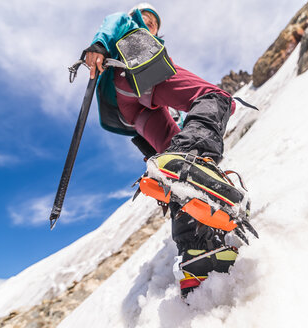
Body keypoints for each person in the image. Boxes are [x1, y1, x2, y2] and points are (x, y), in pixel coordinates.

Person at [84, 3, 242, 297]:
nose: (150, 24)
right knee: (216, 97)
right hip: (138, 69)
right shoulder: (131, 30)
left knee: (176, 164)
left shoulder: (137, 39)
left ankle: (197, 248)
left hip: (130, 109)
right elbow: (115, 21)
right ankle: (192, 159)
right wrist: (99, 44)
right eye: (146, 18)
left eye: (154, 22)